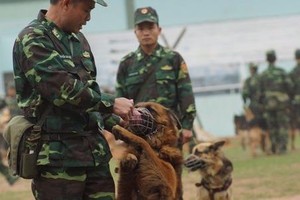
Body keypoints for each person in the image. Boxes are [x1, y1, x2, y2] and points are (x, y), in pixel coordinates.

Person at [12, 0, 135, 199]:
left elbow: (88, 94)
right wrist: (111, 104)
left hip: (94, 156)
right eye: (86, 10)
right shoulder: (33, 39)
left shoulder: (78, 39)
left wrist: (117, 123)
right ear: (66, 3)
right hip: (58, 161)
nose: (88, 18)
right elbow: (63, 91)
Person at [115, 6, 196, 199]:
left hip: (167, 136)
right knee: (137, 182)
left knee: (173, 186)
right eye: (141, 28)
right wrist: (120, 128)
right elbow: (120, 98)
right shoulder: (127, 63)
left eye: (150, 27)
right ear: (135, 32)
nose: (146, 32)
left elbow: (186, 93)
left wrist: (187, 126)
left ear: (159, 29)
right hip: (138, 134)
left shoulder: (173, 59)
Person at [259, 50, 293, 154]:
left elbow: (259, 92)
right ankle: (282, 148)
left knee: (272, 127)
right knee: (282, 126)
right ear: (275, 58)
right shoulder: (281, 72)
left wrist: (262, 104)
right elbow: (290, 87)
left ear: (266, 59)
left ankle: (274, 147)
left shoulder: (263, 74)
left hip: (268, 104)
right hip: (281, 104)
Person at [288, 49, 300, 150]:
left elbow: (289, 89)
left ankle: (292, 145)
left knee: (294, 124)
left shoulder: (292, 72)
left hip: (296, 102)